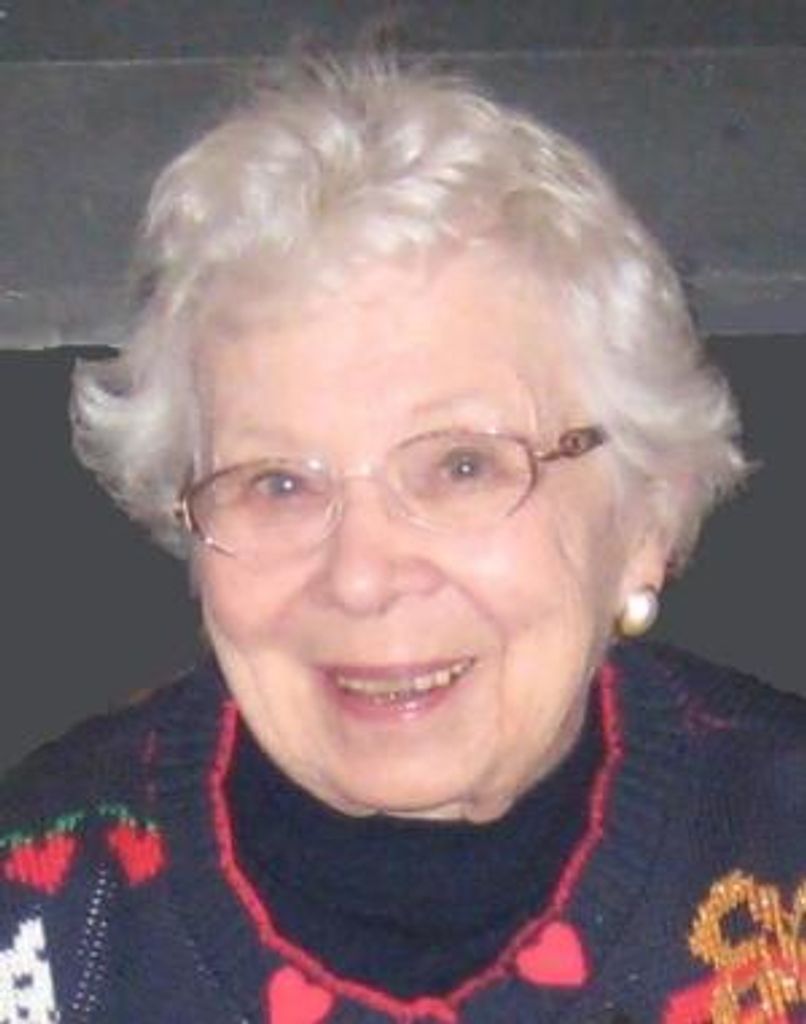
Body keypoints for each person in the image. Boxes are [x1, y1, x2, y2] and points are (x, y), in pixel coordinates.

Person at [1, 54, 803, 1024]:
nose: (362, 576)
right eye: (278, 483)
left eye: (461, 467)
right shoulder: (43, 907)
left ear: (646, 517)